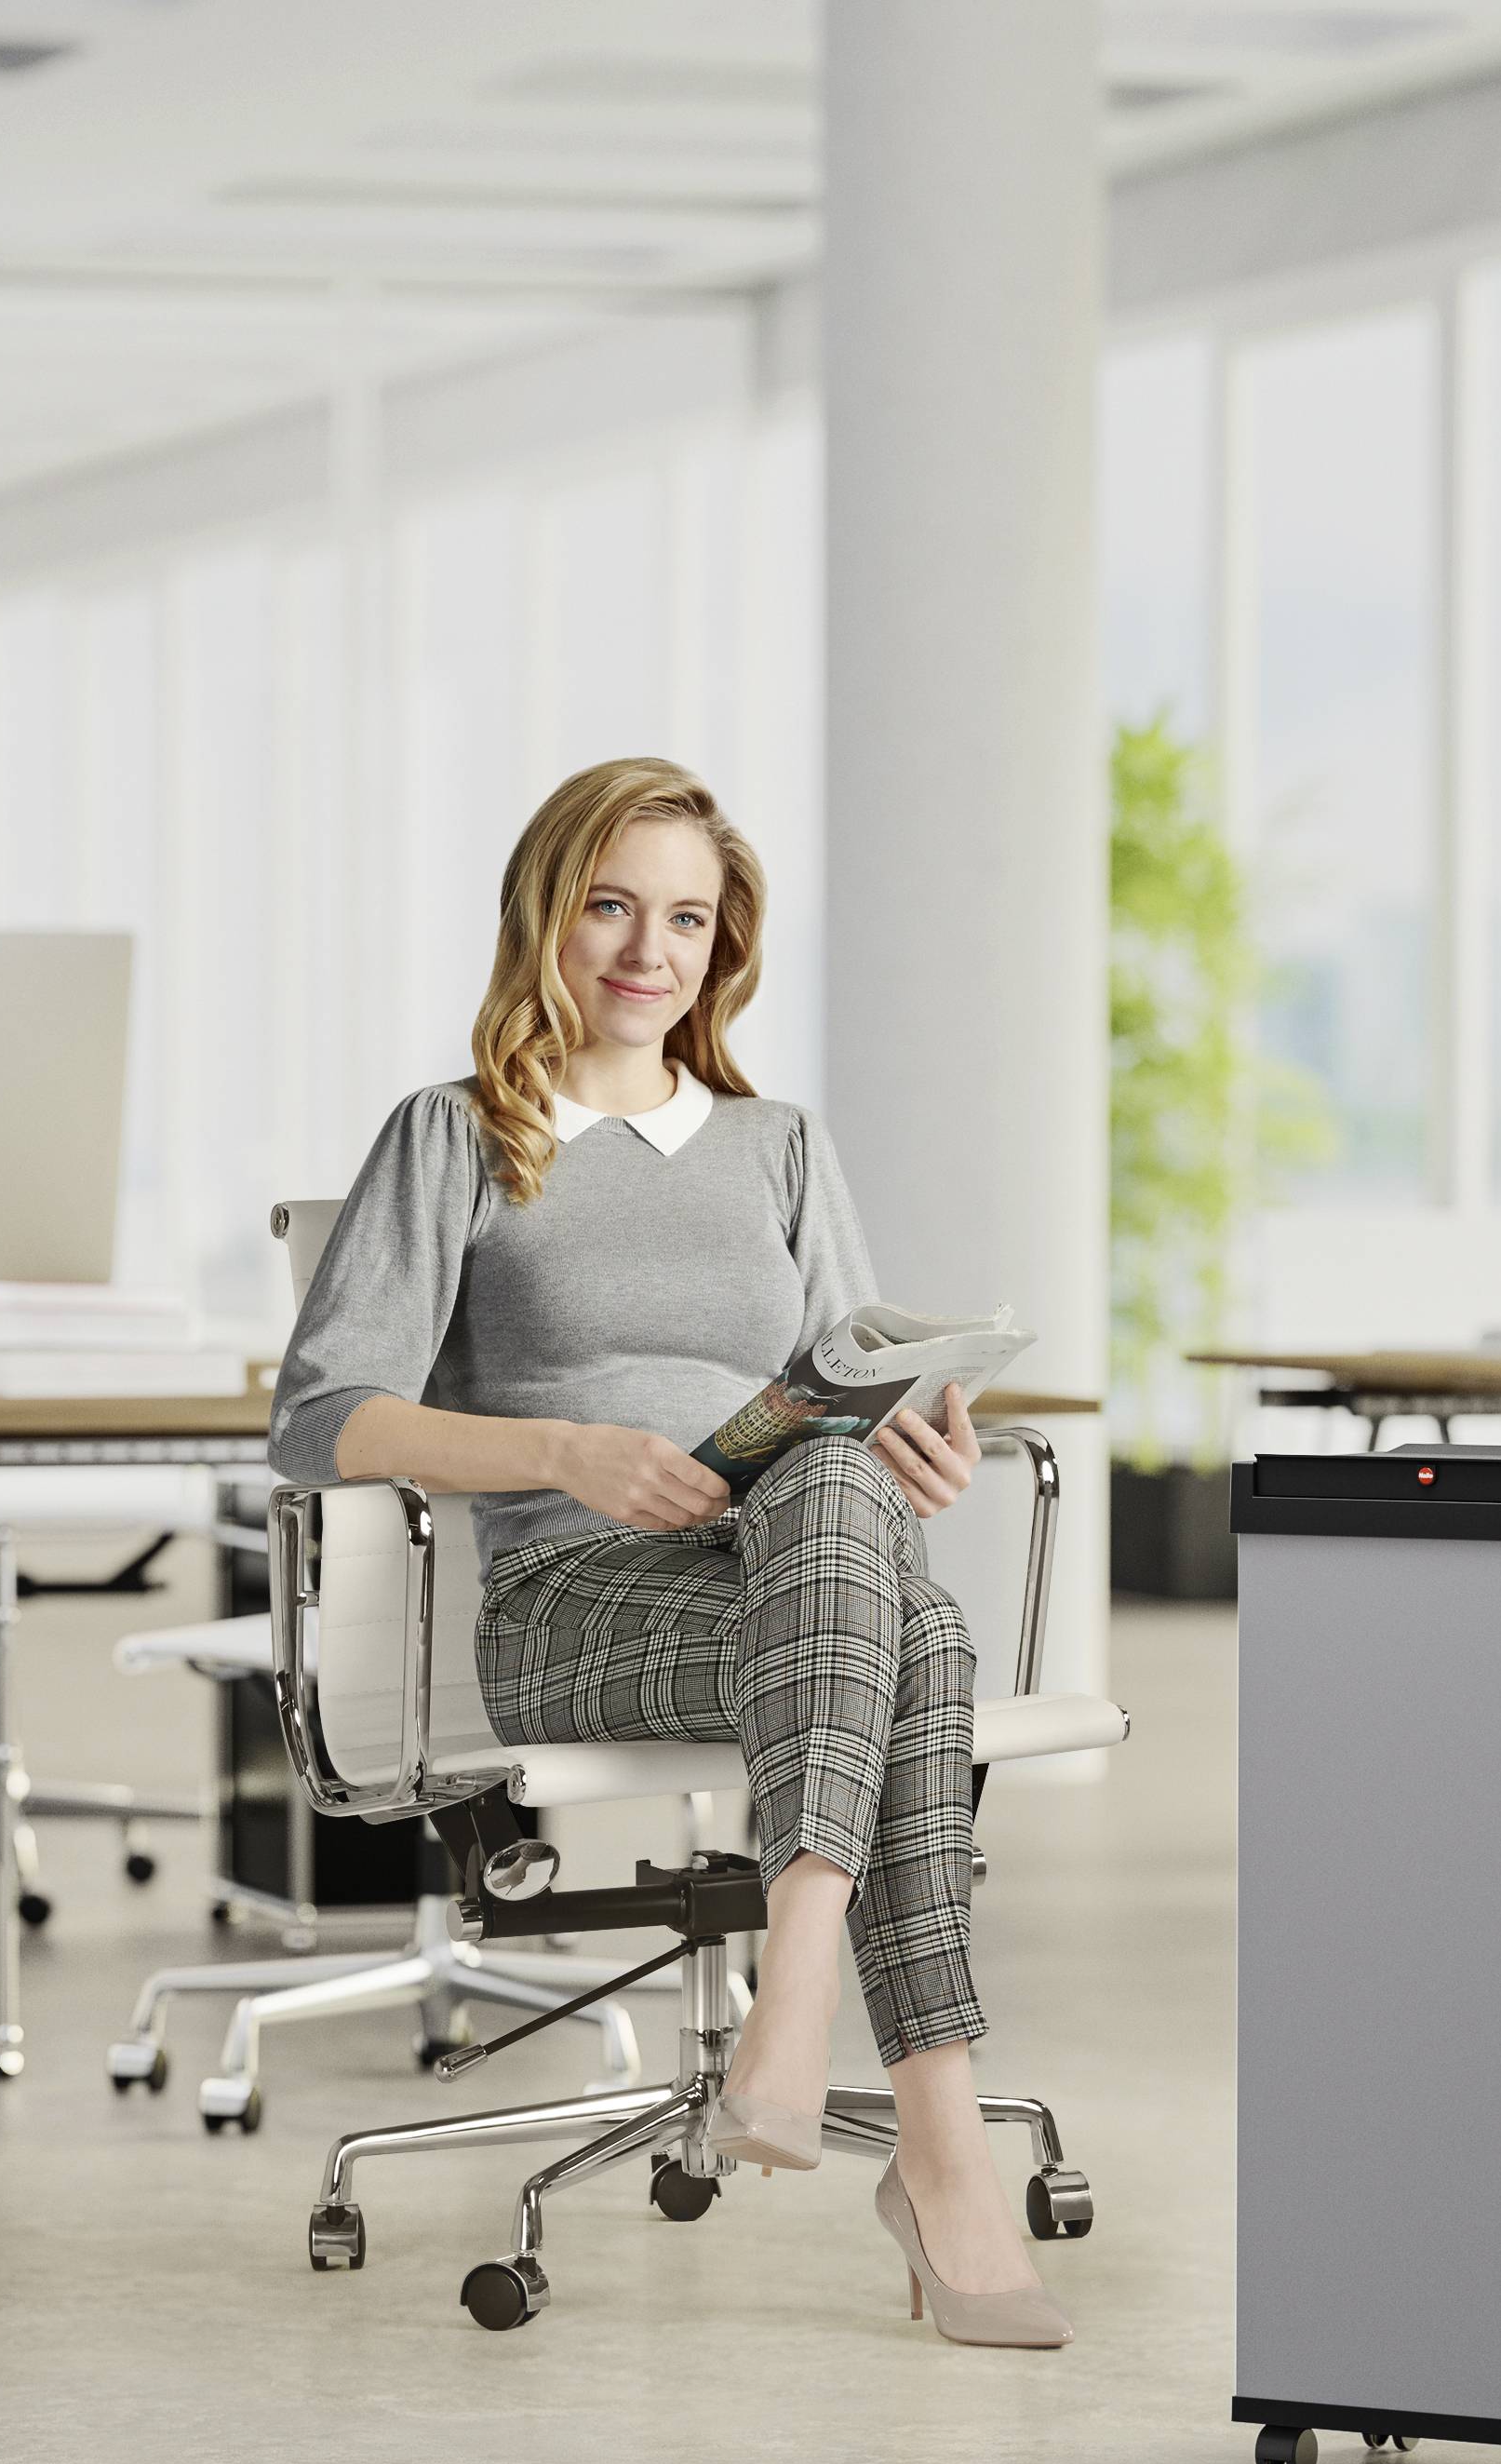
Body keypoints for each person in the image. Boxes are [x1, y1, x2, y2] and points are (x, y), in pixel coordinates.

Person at [265, 755, 1065, 2349]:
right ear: (544, 914)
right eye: (613, 905)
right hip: (573, 1595)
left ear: (725, 943)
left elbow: (867, 1369)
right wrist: (562, 1450)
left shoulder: (778, 1145)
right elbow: (316, 1416)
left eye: (687, 917)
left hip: (790, 1570)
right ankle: (929, 2133)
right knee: (927, 1648)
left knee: (844, 1473)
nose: (649, 948)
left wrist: (929, 1439)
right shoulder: (457, 1134)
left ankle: (816, 2005)